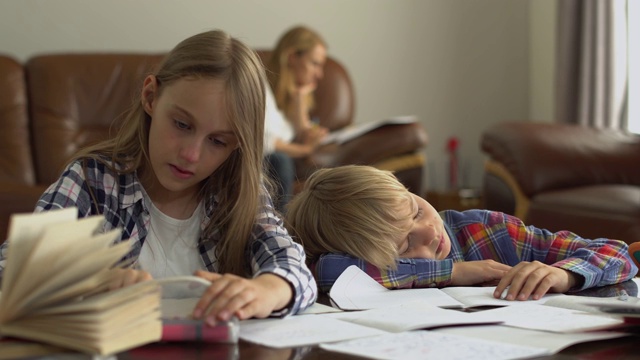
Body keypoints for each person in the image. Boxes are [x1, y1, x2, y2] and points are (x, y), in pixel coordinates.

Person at [0, 29, 317, 325]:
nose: (191, 154)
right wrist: (86, 283)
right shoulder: (93, 181)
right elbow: (10, 273)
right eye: (181, 124)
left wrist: (269, 290)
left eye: (218, 141)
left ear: (237, 146)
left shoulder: (240, 192)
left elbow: (293, 268)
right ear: (151, 96)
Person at [285, 165, 638, 301]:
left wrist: (565, 275)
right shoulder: (353, 270)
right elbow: (327, 270)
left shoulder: (485, 231)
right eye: (406, 243)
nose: (427, 229)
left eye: (415, 209)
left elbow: (620, 252)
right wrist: (453, 272)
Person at [263, 25, 329, 212]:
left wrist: (300, 100)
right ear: (292, 58)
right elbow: (266, 142)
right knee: (280, 160)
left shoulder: (291, 95)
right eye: (315, 63)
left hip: (275, 158)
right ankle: (279, 231)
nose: (320, 74)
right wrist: (304, 149)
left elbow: (303, 133)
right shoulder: (260, 86)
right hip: (259, 158)